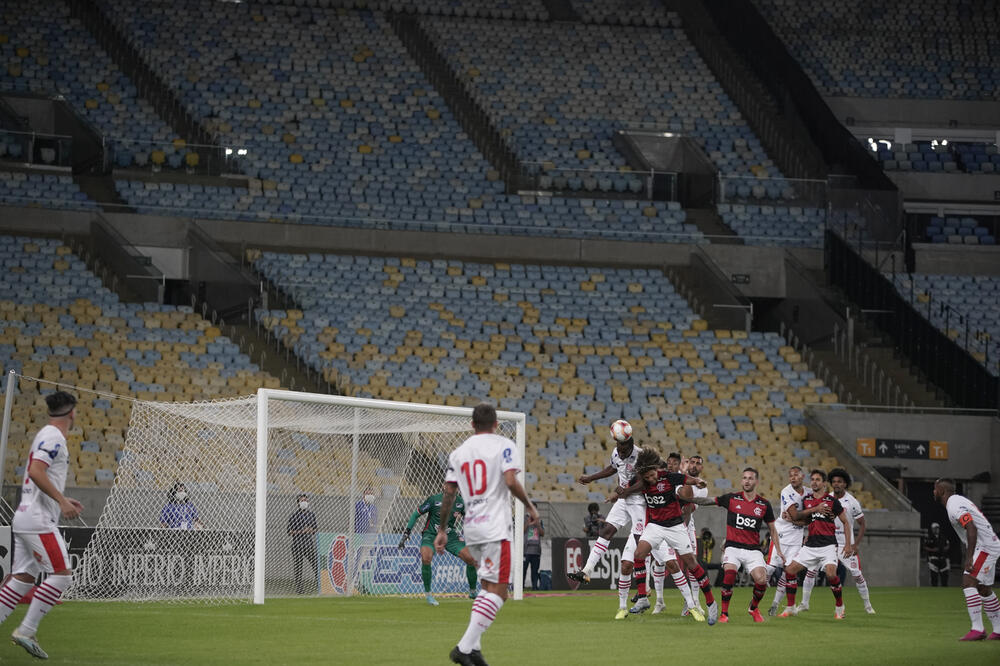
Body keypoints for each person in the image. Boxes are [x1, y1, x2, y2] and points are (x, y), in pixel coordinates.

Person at [438, 403, 539, 666]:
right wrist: (529, 506)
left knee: (486, 587)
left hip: (472, 527)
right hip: (496, 526)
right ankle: (464, 646)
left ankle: (474, 651)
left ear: (472, 424)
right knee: (500, 592)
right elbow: (509, 480)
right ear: (496, 424)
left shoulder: (458, 453)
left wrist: (441, 529)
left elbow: (449, 493)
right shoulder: (504, 445)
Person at [0, 391, 83, 659]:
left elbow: (39, 473)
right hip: (38, 520)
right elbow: (36, 471)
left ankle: (25, 629)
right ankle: (26, 630)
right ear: (72, 413)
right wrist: (60, 501)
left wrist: (59, 497)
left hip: (25, 515)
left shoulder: (44, 433)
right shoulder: (54, 436)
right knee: (61, 575)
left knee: (22, 579)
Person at [615, 448, 719, 624]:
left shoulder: (668, 477)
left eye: (652, 475)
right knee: (639, 554)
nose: (651, 479)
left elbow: (687, 479)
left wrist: (697, 482)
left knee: (691, 564)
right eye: (647, 477)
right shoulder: (641, 480)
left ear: (657, 469)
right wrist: (619, 491)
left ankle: (710, 602)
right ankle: (643, 597)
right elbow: (627, 489)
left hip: (675, 527)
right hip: (655, 526)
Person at [684, 467, 782, 623]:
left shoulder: (764, 504)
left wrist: (779, 550)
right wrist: (688, 499)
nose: (747, 481)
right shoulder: (732, 498)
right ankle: (724, 614)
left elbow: (772, 529)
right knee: (729, 575)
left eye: (750, 478)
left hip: (753, 549)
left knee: (762, 580)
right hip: (733, 547)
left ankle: (753, 608)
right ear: (741, 481)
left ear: (756, 481)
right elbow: (708, 501)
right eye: (744, 478)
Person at [570, 422, 643, 585]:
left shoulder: (641, 455)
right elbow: (612, 468)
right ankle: (586, 571)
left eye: (623, 450)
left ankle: (647, 581)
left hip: (639, 501)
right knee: (606, 531)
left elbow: (646, 482)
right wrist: (591, 478)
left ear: (630, 443)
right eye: (618, 448)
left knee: (640, 539)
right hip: (624, 500)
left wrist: (627, 491)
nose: (621, 453)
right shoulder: (616, 452)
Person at [933, 478, 1000, 641]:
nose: (933, 492)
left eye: (935, 489)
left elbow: (971, 527)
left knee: (968, 582)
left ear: (941, 491)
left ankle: (977, 629)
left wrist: (968, 557)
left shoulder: (954, 505)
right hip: (989, 544)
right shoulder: (959, 500)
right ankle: (998, 630)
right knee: (983, 589)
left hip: (984, 546)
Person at [800, 468, 875, 614]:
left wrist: (854, 544)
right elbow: (816, 519)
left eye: (840, 482)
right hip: (827, 543)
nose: (836, 484)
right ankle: (804, 603)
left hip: (845, 544)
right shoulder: (826, 498)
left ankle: (868, 605)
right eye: (834, 482)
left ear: (845, 484)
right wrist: (810, 534)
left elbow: (862, 524)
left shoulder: (852, 502)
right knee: (811, 571)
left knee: (857, 574)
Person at [779, 469, 852, 619]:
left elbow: (846, 522)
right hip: (811, 545)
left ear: (824, 483)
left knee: (831, 574)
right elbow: (805, 521)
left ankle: (839, 607)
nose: (814, 482)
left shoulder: (832, 501)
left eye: (818, 479)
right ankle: (791, 607)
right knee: (790, 571)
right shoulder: (807, 500)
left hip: (828, 545)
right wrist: (790, 519)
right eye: (812, 479)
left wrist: (848, 545)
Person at [398, 483, 479, 605]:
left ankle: (473, 592)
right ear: (443, 486)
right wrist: (406, 532)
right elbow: (416, 514)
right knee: (426, 557)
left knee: (471, 558)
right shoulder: (434, 500)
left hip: (450, 535)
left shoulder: (461, 503)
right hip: (430, 534)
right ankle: (429, 595)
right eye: (448, 484)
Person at [766, 465, 807, 616]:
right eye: (791, 475)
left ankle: (776, 605)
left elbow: (803, 519)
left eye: (796, 475)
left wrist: (801, 522)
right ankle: (755, 601)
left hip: (796, 540)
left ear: (803, 476)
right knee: (769, 569)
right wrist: (801, 519)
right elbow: (795, 515)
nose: (793, 478)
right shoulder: (786, 491)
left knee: (788, 573)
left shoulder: (808, 493)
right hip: (781, 536)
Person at [287, 494, 318, 594]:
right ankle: (299, 589)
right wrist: (301, 531)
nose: (304, 502)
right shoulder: (294, 516)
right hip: (297, 545)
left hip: (308, 544)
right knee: (298, 567)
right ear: (298, 503)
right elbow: (289, 532)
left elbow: (315, 529)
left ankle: (320, 586)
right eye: (302, 500)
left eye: (305, 500)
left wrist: (311, 530)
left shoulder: (311, 515)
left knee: (316, 565)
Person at [924, 522, 951, 587]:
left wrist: (944, 549)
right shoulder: (929, 538)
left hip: (942, 558)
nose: (936, 530)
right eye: (935, 528)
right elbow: (925, 547)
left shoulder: (943, 537)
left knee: (944, 575)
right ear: (932, 529)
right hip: (933, 559)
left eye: (937, 528)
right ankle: (934, 589)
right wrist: (933, 550)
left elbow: (947, 545)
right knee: (934, 576)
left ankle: (944, 589)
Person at [524, 510, 545, 591]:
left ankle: (534, 587)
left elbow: (542, 533)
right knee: (523, 570)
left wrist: (537, 524)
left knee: (535, 571)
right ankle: (521, 587)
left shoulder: (540, 521)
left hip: (536, 550)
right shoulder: (523, 519)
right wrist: (528, 522)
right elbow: (521, 531)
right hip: (525, 550)